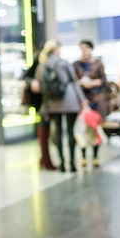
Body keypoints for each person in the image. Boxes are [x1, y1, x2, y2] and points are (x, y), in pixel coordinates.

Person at [35, 39, 88, 173]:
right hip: (69, 101)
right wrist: (82, 99)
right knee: (70, 131)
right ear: (56, 49)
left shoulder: (42, 65)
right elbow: (74, 82)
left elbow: (40, 86)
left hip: (52, 103)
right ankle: (72, 163)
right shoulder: (64, 63)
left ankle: (63, 164)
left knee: (57, 132)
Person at [73, 39, 109, 168]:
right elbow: (73, 81)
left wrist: (93, 83)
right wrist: (81, 83)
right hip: (82, 100)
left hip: (96, 100)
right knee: (82, 128)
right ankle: (82, 156)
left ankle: (95, 156)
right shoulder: (76, 64)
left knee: (95, 128)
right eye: (82, 48)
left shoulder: (98, 63)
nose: (84, 51)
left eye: (86, 48)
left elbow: (104, 80)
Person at [23, 52, 56, 170]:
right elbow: (26, 76)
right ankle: (46, 161)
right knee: (44, 131)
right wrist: (32, 82)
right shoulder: (40, 64)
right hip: (42, 103)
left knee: (46, 132)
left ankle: (44, 160)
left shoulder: (49, 64)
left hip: (47, 103)